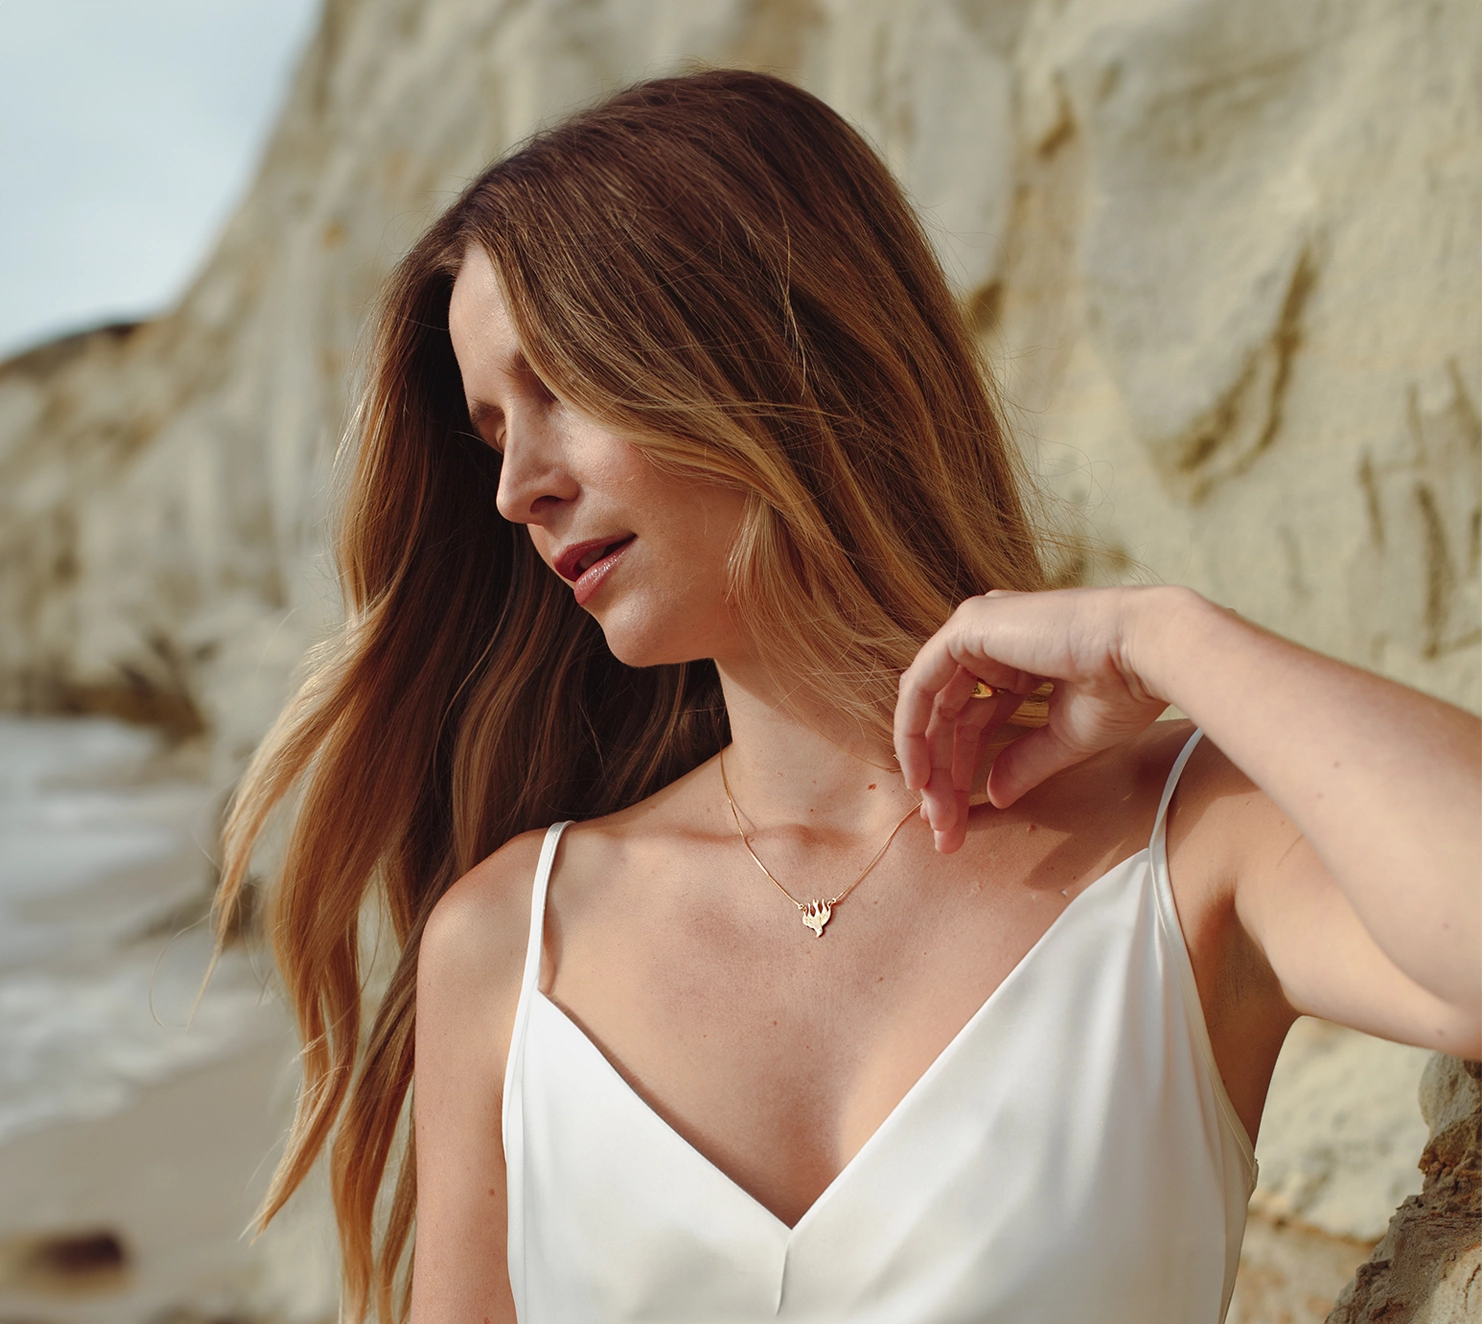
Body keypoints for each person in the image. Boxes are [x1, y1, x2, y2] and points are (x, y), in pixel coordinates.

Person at [216, 68, 1481, 1324]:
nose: (518, 488)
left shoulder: (1190, 845)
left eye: (560, 385)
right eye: (495, 432)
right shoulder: (513, 940)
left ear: (766, 345)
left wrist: (1168, 633)